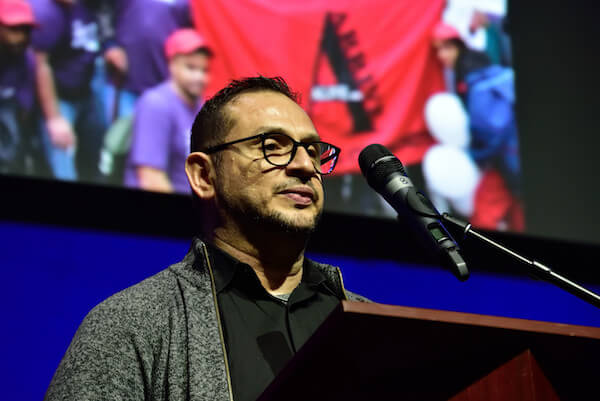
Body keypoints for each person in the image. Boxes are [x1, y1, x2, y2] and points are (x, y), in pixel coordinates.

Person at [45, 76, 367, 401]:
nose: (305, 166)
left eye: (313, 151)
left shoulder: (369, 323)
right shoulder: (131, 324)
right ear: (203, 175)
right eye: (271, 147)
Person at [124, 28, 211, 193]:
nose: (199, 77)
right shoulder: (156, 104)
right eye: (191, 68)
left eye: (204, 70)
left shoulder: (200, 106)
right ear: (172, 65)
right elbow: (151, 178)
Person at [30, 0, 106, 183]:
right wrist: (54, 118)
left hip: (88, 93)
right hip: (60, 98)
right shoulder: (46, 12)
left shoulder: (88, 6)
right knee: (63, 163)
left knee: (94, 161)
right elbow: (40, 65)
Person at [0, 0, 40, 175]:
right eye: (14, 29)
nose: (21, 37)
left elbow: (24, 110)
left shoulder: (27, 60)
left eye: (26, 30)